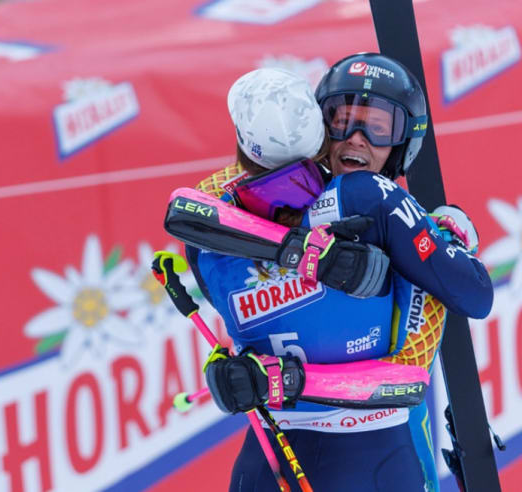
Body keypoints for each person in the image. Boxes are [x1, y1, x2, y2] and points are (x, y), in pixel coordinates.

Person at [175, 56, 493, 491]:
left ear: (404, 141)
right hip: (364, 452)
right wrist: (307, 254)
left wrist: (277, 378)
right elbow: (469, 297)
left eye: (378, 127)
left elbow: (410, 372)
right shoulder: (365, 196)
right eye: (341, 120)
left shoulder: (221, 215)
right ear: (317, 126)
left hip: (299, 451)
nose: (356, 139)